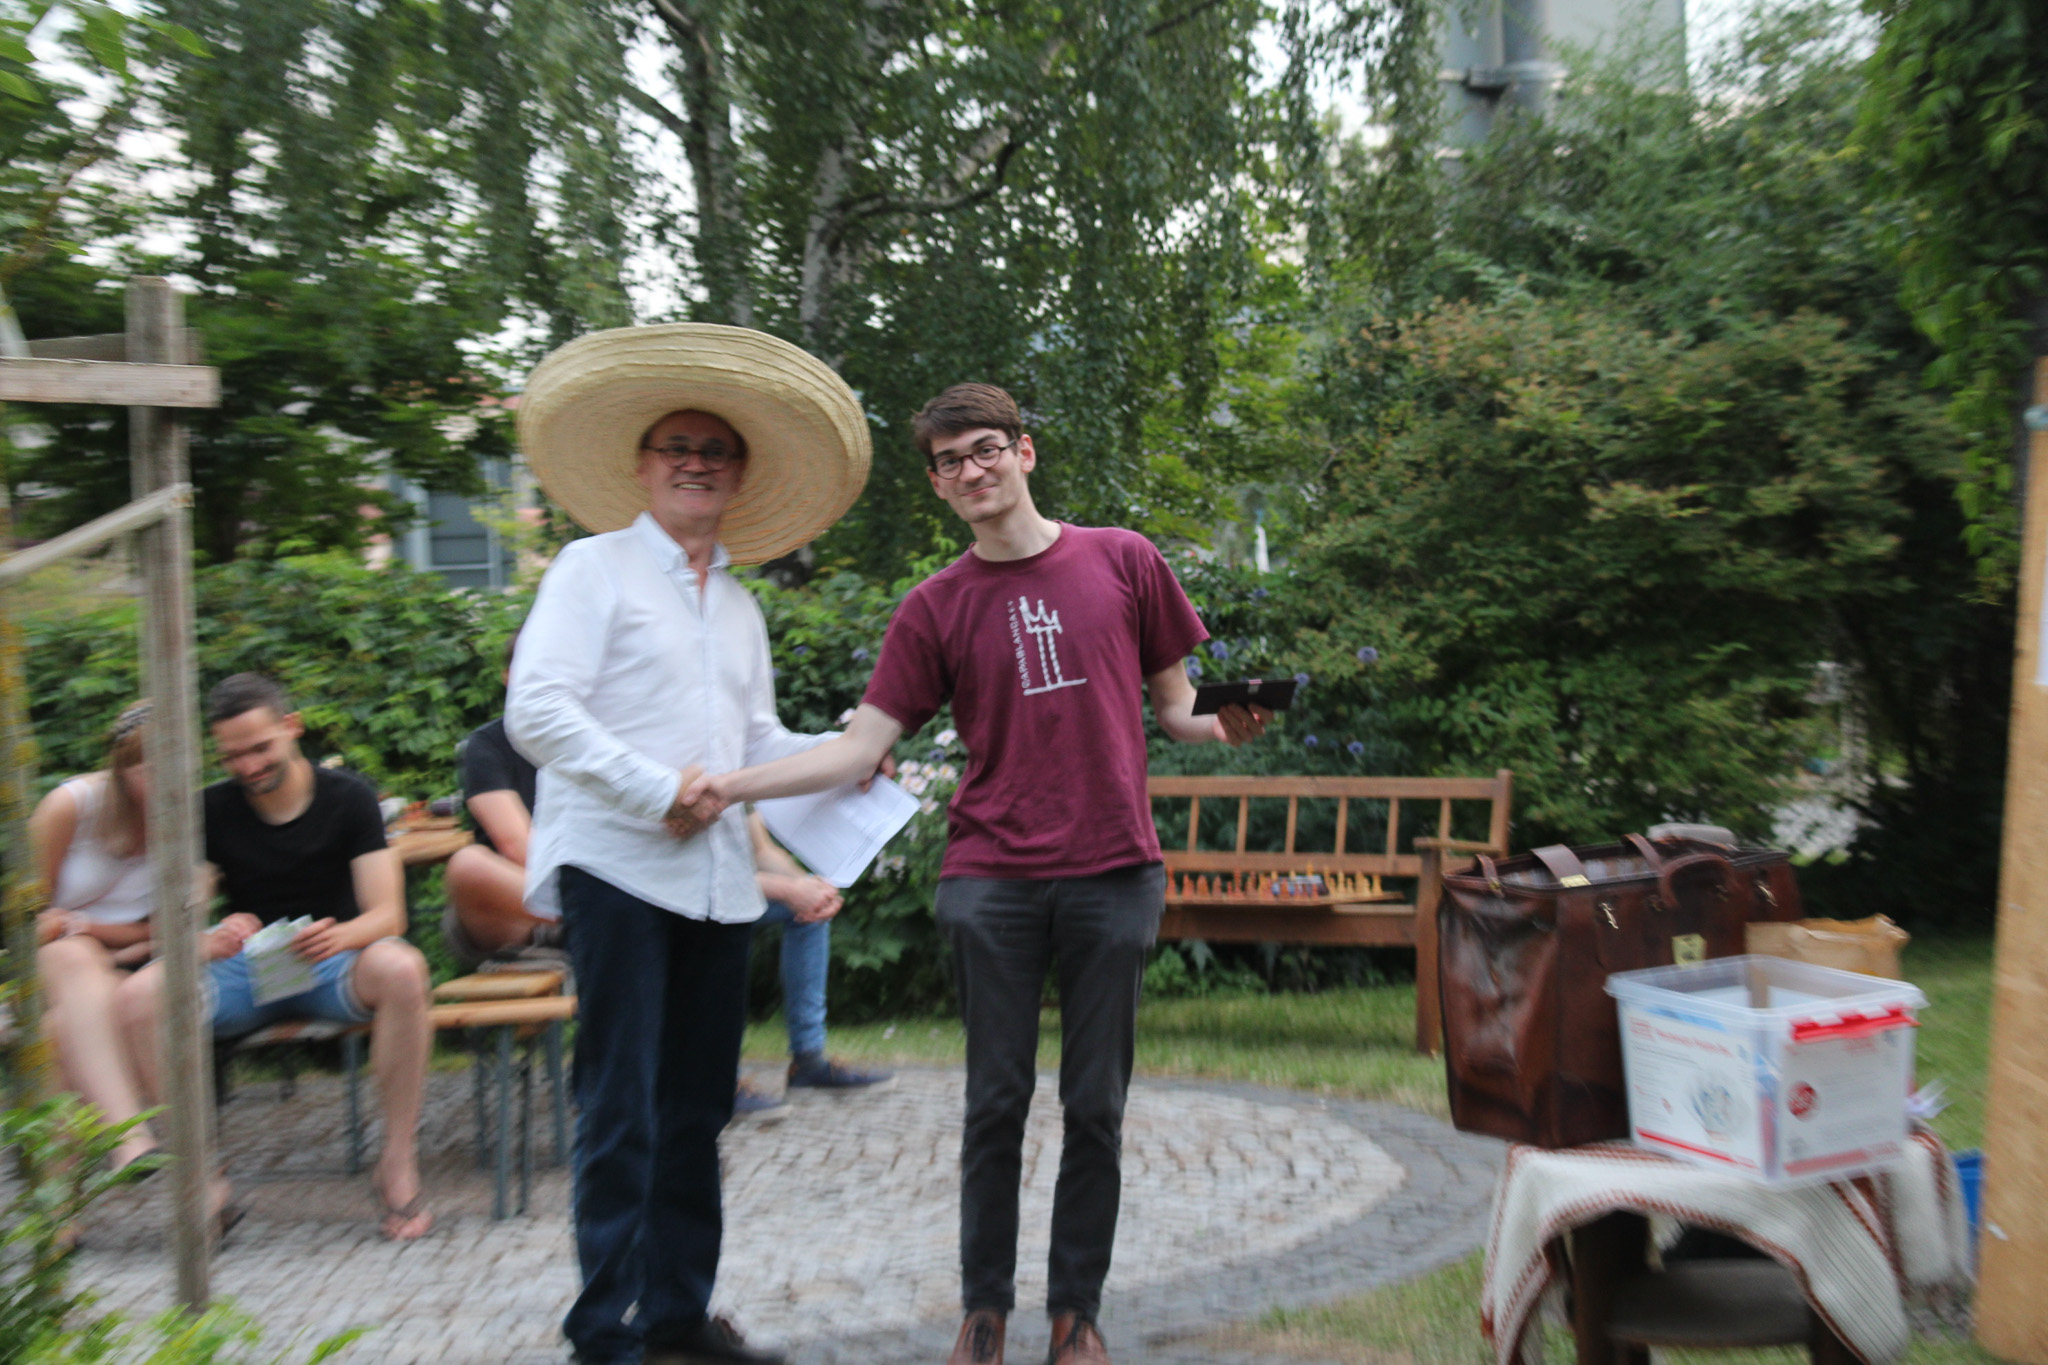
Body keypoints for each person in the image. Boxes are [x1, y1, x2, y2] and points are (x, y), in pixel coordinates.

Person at [684, 384, 1268, 1365]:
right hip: (990, 876)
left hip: (1114, 869)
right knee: (994, 1102)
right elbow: (857, 747)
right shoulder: (934, 607)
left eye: (986, 449)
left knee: (1095, 1104)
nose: (971, 470)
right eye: (950, 461)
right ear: (937, 483)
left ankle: (1076, 1317)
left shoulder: (1124, 559)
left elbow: (1178, 710)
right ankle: (983, 1313)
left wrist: (1227, 724)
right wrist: (728, 786)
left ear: (1024, 453)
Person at [505, 323, 874, 1365]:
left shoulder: (742, 607)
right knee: (618, 1104)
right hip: (617, 869)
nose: (695, 463)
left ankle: (676, 1313)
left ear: (738, 474)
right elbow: (537, 711)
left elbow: (752, 747)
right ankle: (603, 1329)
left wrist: (849, 755)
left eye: (715, 451)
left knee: (699, 1105)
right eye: (677, 446)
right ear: (642, 464)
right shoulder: (592, 569)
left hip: (716, 885)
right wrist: (654, 787)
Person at [117, 673, 435, 1241]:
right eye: (232, 756)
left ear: (292, 728)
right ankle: (200, 1174)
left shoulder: (349, 798)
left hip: (332, 962)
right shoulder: (210, 809)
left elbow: (388, 916)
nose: (248, 766)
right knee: (141, 995)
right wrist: (207, 937)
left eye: (260, 748)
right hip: (251, 969)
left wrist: (339, 936)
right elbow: (177, 919)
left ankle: (396, 1160)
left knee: (404, 968)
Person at [30, 701, 169, 1173]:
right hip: (53, 963)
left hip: (123, 966)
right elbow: (25, 915)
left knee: (58, 1033)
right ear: (122, 770)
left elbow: (164, 928)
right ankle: (130, 1138)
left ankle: (60, 1204)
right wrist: (70, 931)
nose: (165, 784)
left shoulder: (186, 822)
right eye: (151, 772)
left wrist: (88, 927)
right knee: (73, 956)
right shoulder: (71, 806)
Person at [735, 811, 892, 1119]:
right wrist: (788, 890)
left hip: (728, 886)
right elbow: (698, 876)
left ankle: (808, 1061)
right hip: (678, 896)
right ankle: (714, 1080)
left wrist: (810, 889)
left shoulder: (736, 784)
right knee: (726, 921)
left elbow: (762, 851)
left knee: (806, 911)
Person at [442, 629, 563, 972]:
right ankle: (595, 917)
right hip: (519, 910)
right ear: (508, 678)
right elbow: (515, 845)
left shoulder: (601, 736)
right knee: (468, 866)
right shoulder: (489, 745)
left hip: (591, 895)